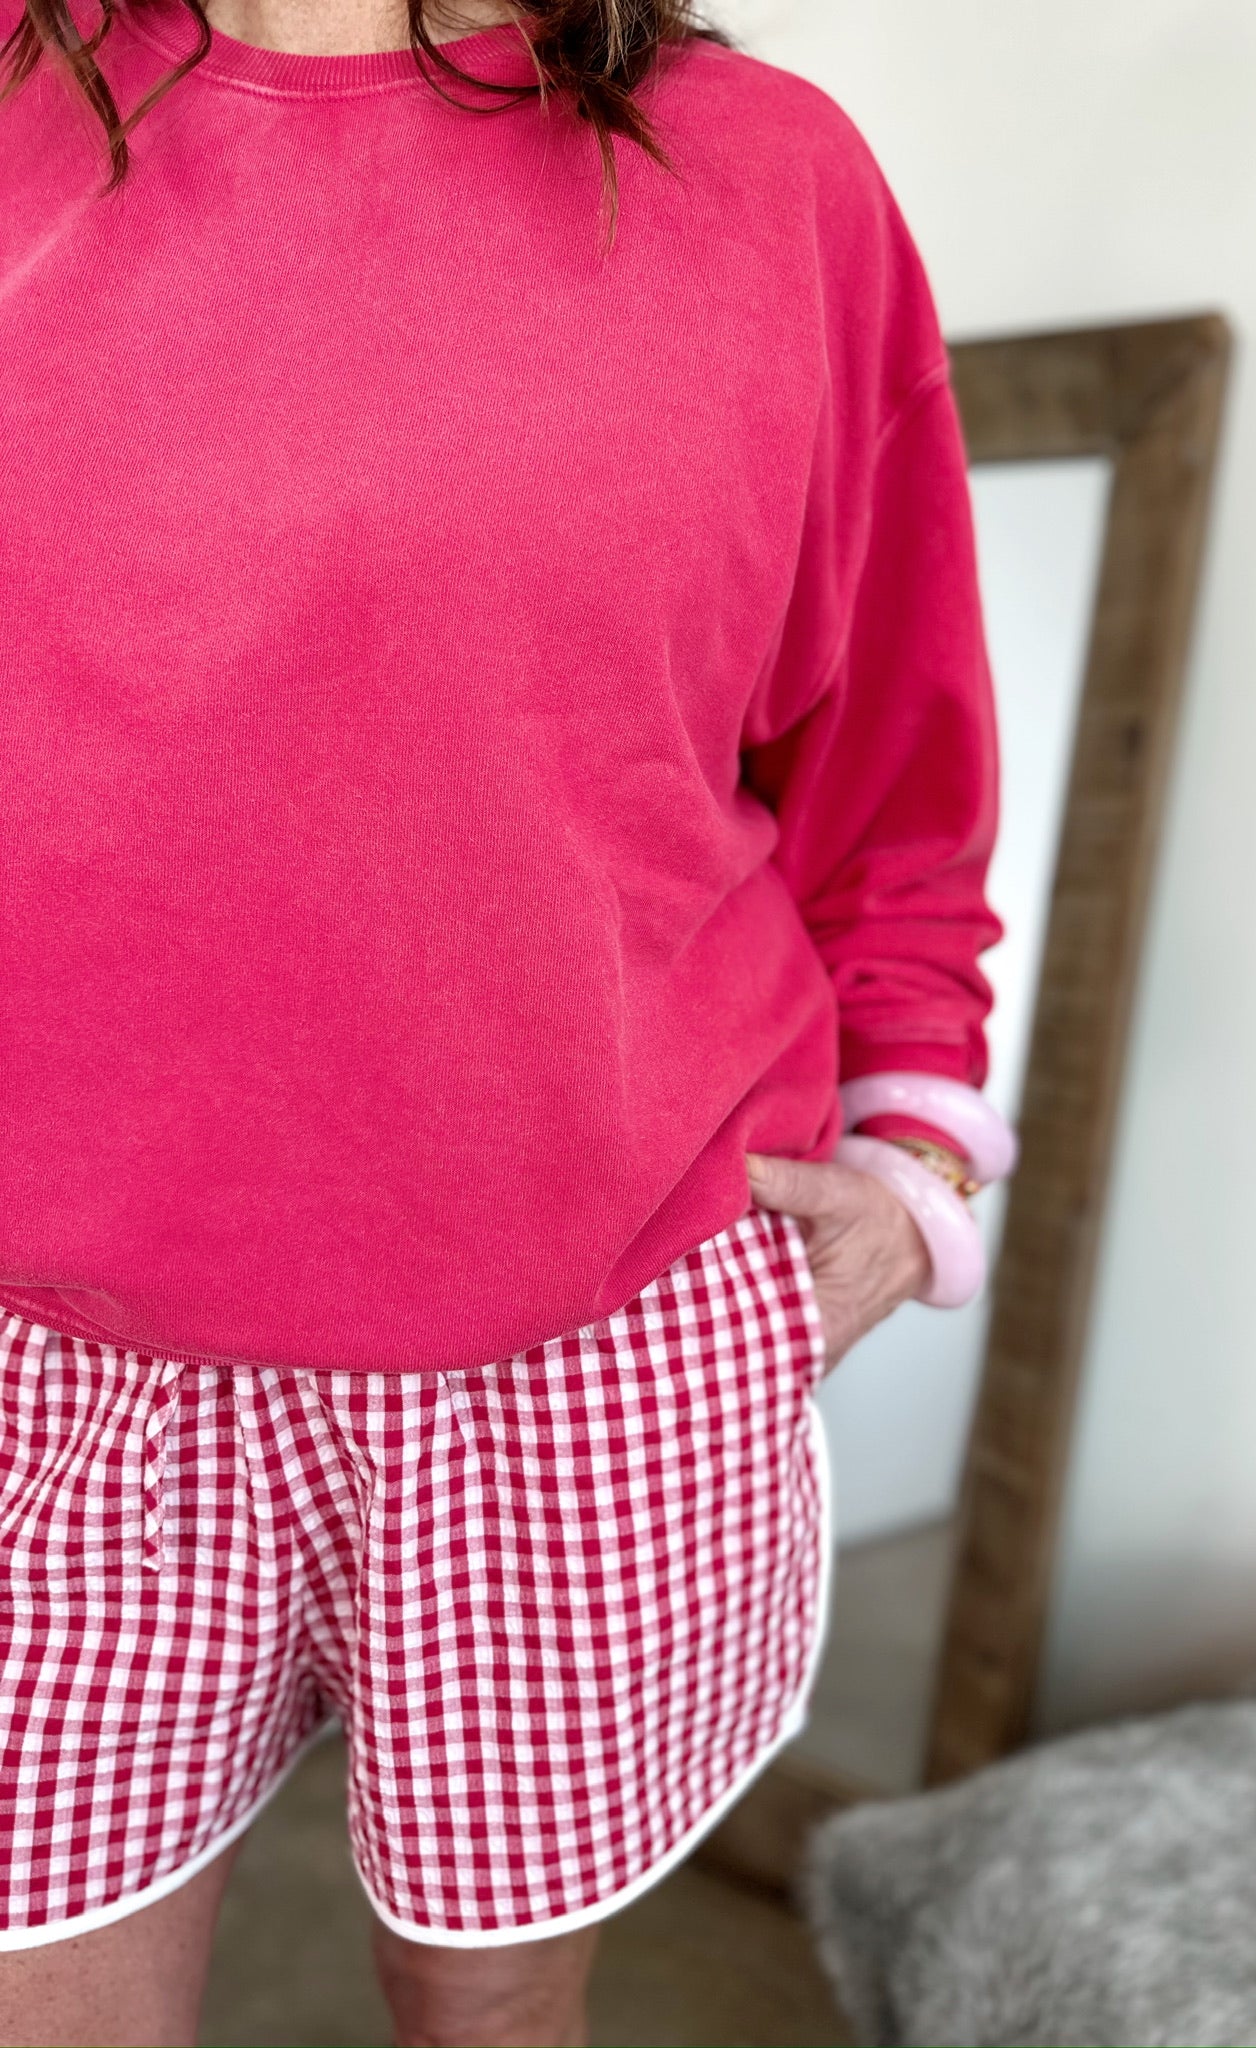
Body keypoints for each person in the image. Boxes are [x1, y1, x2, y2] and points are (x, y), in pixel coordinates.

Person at [0, 0, 1005, 2038]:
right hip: (50, 1351)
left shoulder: (770, 179)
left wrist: (920, 1157)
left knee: (495, 2017)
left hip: (580, 1354)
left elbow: (892, 751)